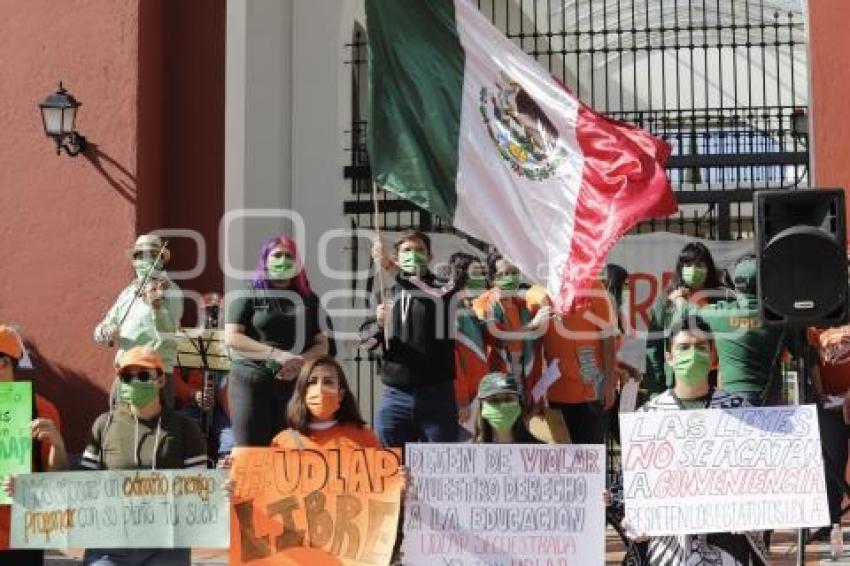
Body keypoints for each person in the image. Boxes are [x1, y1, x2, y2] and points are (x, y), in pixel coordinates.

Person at [628, 313, 766, 565]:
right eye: (683, 348)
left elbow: (761, 479)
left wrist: (754, 510)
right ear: (669, 357)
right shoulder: (647, 418)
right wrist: (633, 515)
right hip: (671, 549)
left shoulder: (741, 411)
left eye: (701, 348)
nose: (693, 354)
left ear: (712, 357)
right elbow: (637, 492)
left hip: (730, 541)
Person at [81, 347, 207, 566]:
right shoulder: (104, 424)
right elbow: (82, 485)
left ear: (160, 381)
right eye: (127, 377)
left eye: (143, 375)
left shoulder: (185, 427)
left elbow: (199, 490)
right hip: (110, 544)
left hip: (166, 545)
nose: (134, 382)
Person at [224, 236, 330, 447]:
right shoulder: (249, 293)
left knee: (289, 452)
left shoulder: (309, 299)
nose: (283, 260)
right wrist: (276, 355)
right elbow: (232, 337)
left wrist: (298, 361)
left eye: (288, 256)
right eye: (277, 255)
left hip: (292, 384)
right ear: (265, 260)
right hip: (251, 381)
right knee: (251, 451)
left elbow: (322, 345)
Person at [360, 230, 460, 446]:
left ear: (430, 256)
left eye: (419, 250)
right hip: (396, 396)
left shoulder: (445, 288)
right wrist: (378, 324)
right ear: (397, 256)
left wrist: (391, 268)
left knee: (440, 466)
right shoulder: (384, 295)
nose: (413, 255)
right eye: (407, 250)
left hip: (437, 395)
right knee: (390, 466)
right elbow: (367, 343)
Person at [676, 255, 794, 406]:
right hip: (770, 399)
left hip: (731, 400)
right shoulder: (780, 318)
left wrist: (679, 298)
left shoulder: (720, 313)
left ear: (736, 285)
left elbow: (686, 311)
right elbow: (801, 352)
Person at [0, 326, 68, 566]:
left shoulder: (42, 410)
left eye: (1, 361)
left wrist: (58, 445)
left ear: (14, 364)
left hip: (21, 534)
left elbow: (56, 478)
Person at [94, 234, 183, 407]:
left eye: (150, 255)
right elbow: (100, 330)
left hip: (155, 374)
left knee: (157, 429)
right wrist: (107, 332)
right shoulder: (128, 292)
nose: (143, 260)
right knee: (120, 428)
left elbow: (168, 333)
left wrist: (157, 308)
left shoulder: (171, 291)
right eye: (139, 255)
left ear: (160, 260)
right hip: (125, 372)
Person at [526, 279, 618, 444]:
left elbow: (608, 335)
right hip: (556, 392)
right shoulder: (536, 293)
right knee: (564, 461)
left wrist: (609, 382)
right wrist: (537, 392)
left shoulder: (593, 286)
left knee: (592, 457)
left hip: (592, 390)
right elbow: (534, 345)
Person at [643, 242, 728, 397]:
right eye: (687, 264)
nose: (693, 269)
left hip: (716, 378)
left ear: (709, 268)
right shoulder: (667, 302)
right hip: (678, 380)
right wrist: (656, 389)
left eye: (699, 264)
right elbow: (654, 347)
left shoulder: (724, 299)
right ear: (680, 268)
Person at [472, 252, 549, 405]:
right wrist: (532, 325)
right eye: (505, 274)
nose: (511, 278)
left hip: (522, 376)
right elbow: (496, 338)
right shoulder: (483, 304)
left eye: (514, 273)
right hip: (496, 380)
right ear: (492, 279)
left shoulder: (521, 305)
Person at [272, 356, 379, 449]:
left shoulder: (363, 437)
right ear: (302, 392)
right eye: (312, 382)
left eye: (328, 382)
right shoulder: (282, 442)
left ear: (341, 394)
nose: (320, 389)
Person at [447, 253, 489, 428]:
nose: (482, 279)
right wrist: (462, 399)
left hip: (478, 394)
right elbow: (452, 359)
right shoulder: (453, 308)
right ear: (462, 275)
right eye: (476, 273)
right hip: (464, 401)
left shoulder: (471, 308)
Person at [472, 372, 539, 444]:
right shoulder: (471, 451)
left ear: (519, 403)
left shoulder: (540, 450)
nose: (502, 405)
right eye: (494, 400)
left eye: (508, 399)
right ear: (482, 405)